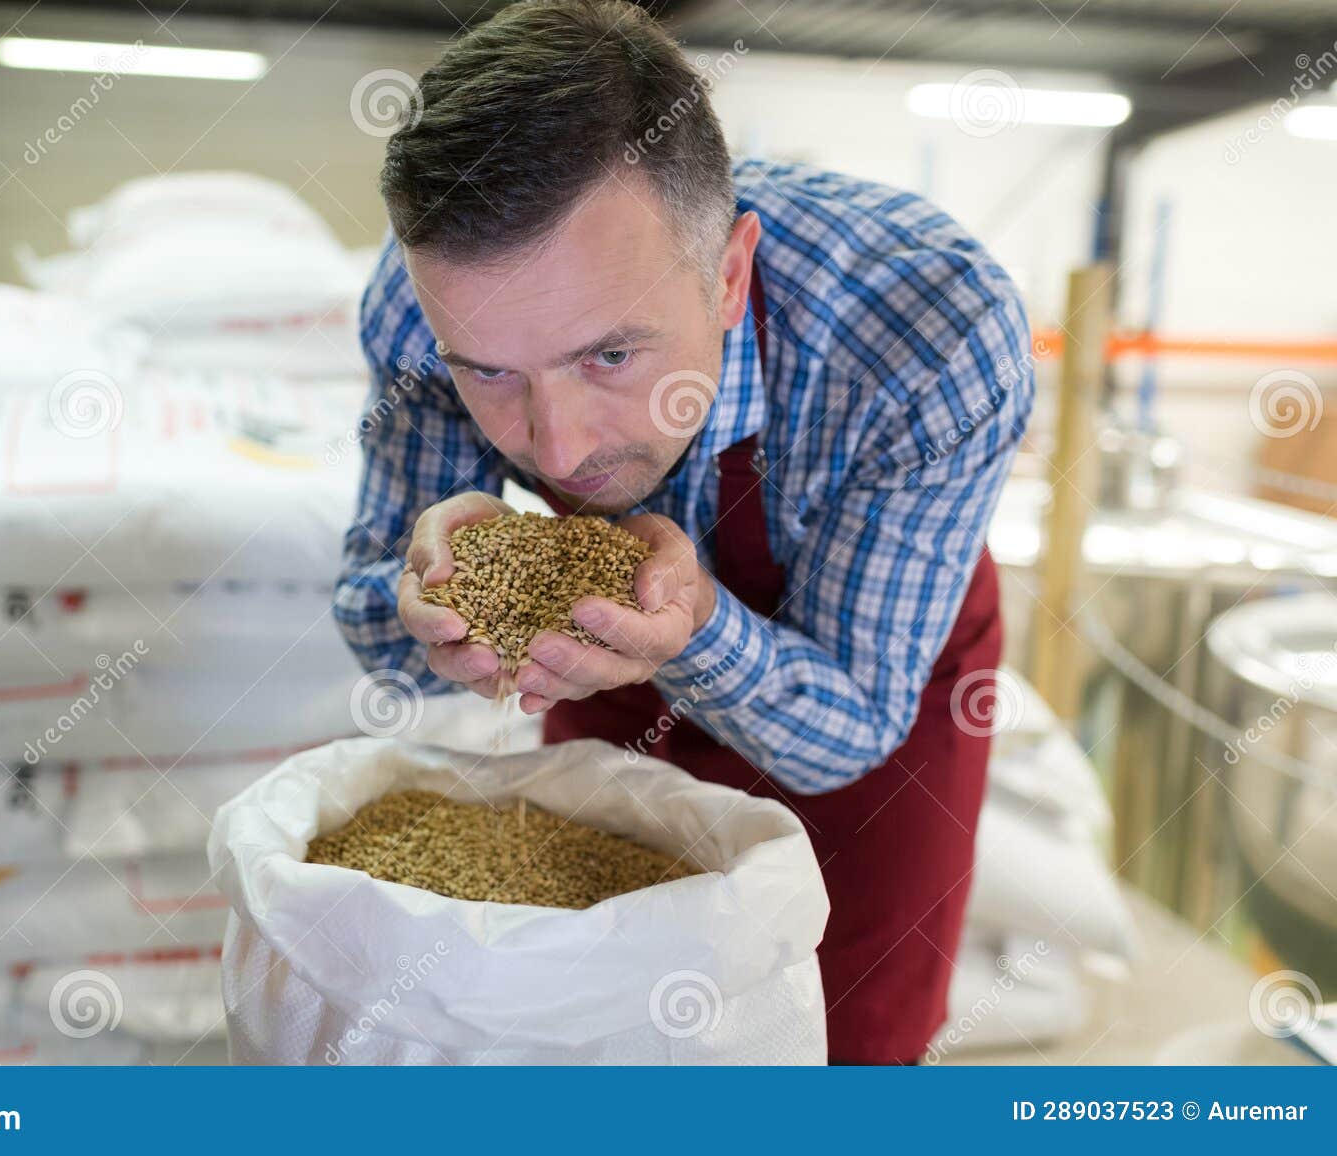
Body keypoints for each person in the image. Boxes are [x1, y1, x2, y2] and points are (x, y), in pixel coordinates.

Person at [334, 0, 1035, 1064]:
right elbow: (372, 617)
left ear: (728, 274)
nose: (557, 452)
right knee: (606, 1019)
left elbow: (849, 726)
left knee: (843, 1038)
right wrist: (423, 596)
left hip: (867, 688)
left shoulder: (933, 330)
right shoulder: (418, 309)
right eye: (491, 374)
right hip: (617, 661)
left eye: (609, 356)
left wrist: (701, 631)